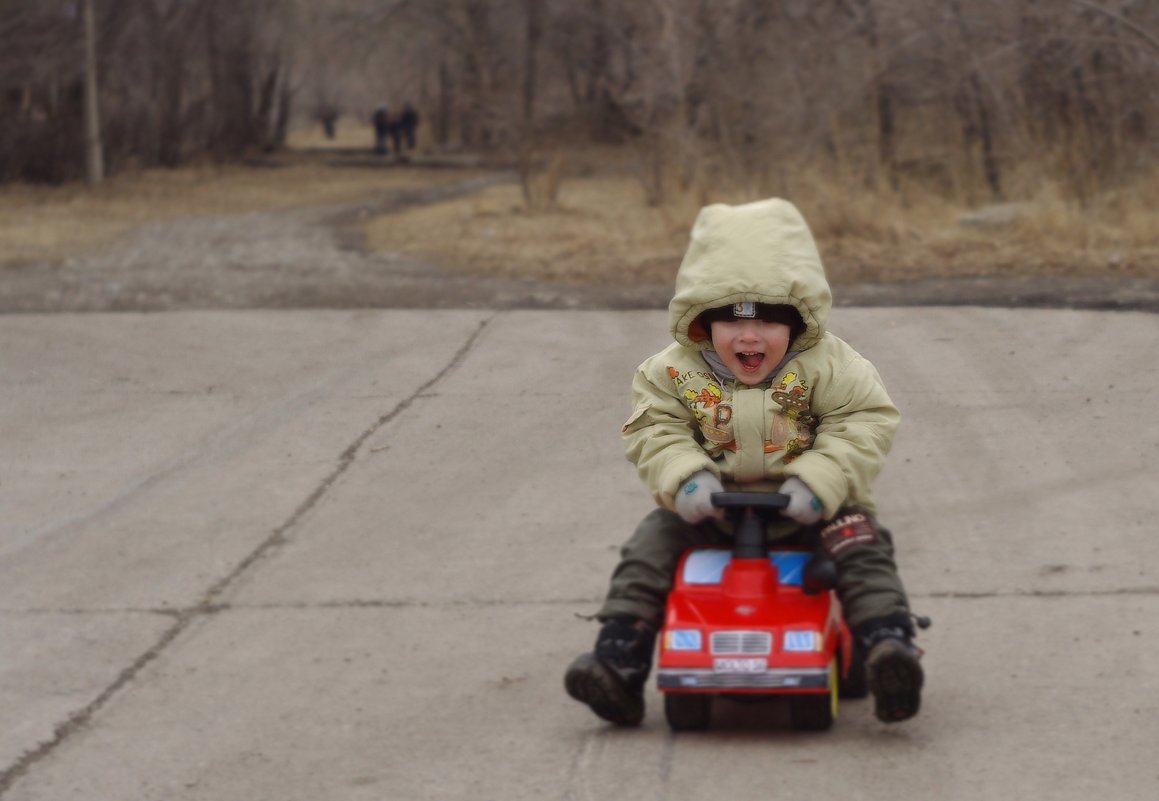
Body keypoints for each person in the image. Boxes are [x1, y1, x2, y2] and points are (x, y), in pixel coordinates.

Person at [564, 197, 925, 727]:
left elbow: (863, 423)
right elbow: (653, 429)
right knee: (648, 549)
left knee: (862, 546)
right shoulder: (669, 372)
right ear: (700, 320)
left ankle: (887, 651)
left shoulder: (833, 366)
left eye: (770, 320)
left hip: (812, 509)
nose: (750, 336)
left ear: (800, 321)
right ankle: (619, 661)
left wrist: (820, 480)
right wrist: (685, 479)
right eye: (730, 319)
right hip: (711, 511)